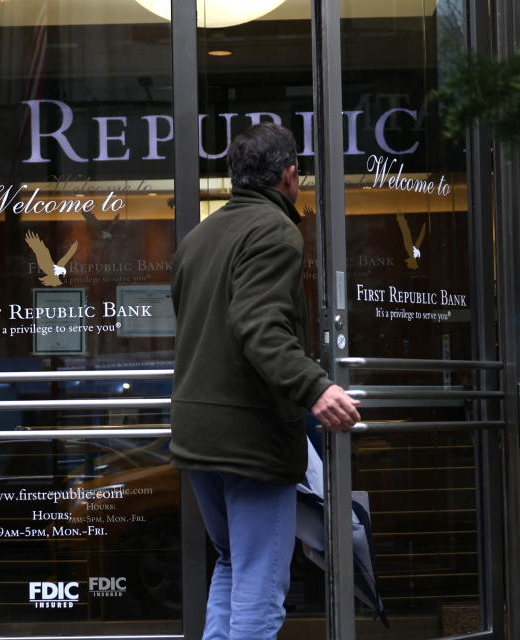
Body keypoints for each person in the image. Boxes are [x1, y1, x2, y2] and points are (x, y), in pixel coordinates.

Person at [169, 123, 361, 640]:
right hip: (250, 438)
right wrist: (316, 387)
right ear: (289, 175)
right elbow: (259, 325)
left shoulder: (196, 239)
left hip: (196, 436)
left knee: (233, 562)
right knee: (261, 581)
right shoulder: (275, 231)